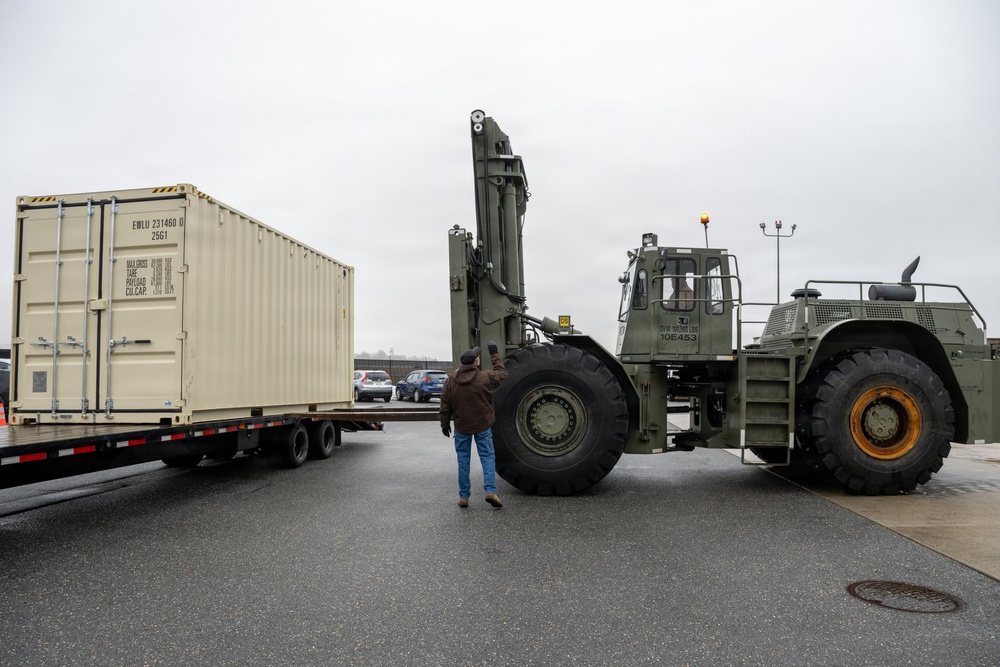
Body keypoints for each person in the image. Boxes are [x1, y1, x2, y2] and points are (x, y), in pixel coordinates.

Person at [439, 340, 508, 509]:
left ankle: (464, 497)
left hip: (462, 427)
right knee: (487, 457)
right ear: (476, 361)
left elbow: (445, 403)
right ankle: (491, 491)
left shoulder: (451, 380)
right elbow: (502, 373)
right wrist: (494, 355)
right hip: (483, 425)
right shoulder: (485, 376)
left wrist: (444, 424)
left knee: (463, 461)